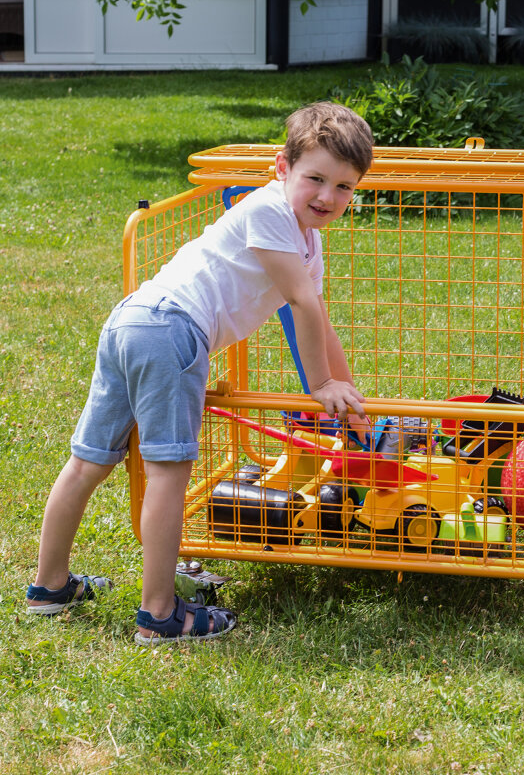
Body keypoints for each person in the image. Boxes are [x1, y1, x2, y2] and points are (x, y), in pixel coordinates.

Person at [26, 102, 373, 644]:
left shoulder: (307, 237)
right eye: (316, 179)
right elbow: (301, 303)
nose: (328, 197)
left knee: (87, 461)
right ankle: (160, 615)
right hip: (171, 331)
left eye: (346, 187)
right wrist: (322, 386)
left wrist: (349, 404)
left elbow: (319, 317)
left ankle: (49, 588)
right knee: (167, 472)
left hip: (134, 321)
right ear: (283, 167)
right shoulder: (269, 213)